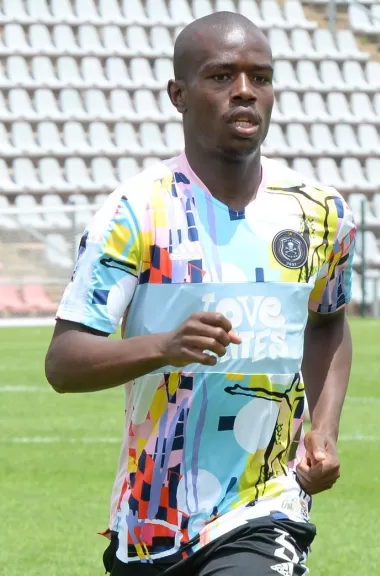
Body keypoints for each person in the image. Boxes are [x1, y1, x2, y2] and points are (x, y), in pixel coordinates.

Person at [44, 12, 355, 576]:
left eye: (260, 77)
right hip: (151, 516)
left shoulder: (318, 211)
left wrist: (324, 427)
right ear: (178, 95)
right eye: (221, 77)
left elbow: (327, 320)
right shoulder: (134, 211)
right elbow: (64, 363)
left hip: (267, 507)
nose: (244, 92)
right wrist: (165, 346)